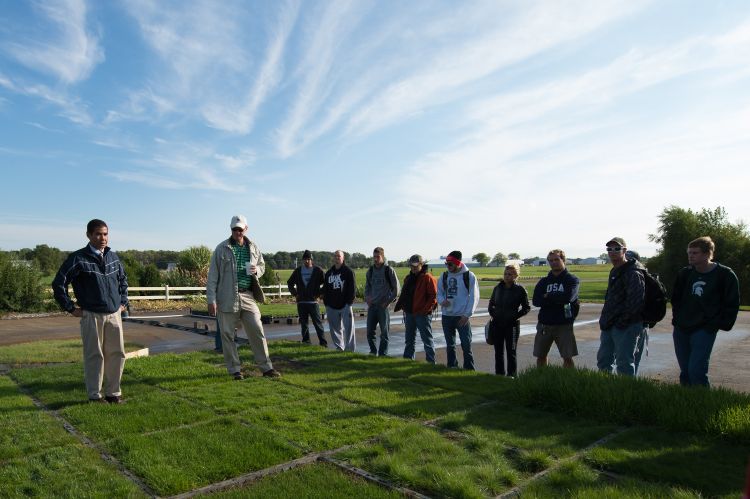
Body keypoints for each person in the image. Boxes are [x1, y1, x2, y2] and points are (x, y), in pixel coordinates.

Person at [52, 219, 128, 403]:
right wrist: (71, 308)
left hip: (113, 314)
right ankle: (95, 396)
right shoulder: (77, 259)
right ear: (89, 235)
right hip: (91, 315)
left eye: (105, 234)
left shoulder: (113, 257)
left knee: (117, 354)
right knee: (95, 355)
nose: (103, 238)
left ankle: (113, 394)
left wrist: (123, 303)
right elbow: (58, 284)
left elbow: (123, 281)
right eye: (98, 234)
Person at [206, 215, 280, 380]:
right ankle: (235, 370)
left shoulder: (253, 247)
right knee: (227, 335)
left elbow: (262, 265)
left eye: (240, 229)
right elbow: (212, 277)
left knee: (257, 330)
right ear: (231, 229)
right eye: (234, 229)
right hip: (227, 297)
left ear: (246, 229)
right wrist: (211, 300)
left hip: (248, 295)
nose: (237, 232)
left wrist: (257, 271)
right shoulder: (221, 249)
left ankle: (266, 368)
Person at [671, 236, 740, 387]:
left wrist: (716, 323)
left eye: (695, 253)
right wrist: (677, 320)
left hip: (704, 328)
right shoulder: (685, 273)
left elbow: (732, 303)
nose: (690, 255)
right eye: (689, 252)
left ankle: (702, 401)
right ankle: (685, 400)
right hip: (682, 328)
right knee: (685, 371)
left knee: (696, 370)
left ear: (708, 254)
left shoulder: (725, 275)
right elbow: (676, 299)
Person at [597, 237, 646, 376]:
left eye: (617, 249)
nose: (612, 252)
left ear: (624, 250)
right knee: (604, 361)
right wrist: (605, 320)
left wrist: (621, 322)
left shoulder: (633, 272)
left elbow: (636, 302)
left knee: (624, 363)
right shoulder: (614, 271)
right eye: (609, 249)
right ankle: (605, 390)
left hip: (626, 326)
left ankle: (625, 394)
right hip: (610, 323)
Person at [532, 249, 580, 368]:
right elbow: (536, 301)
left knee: (567, 357)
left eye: (556, 259)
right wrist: (558, 299)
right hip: (544, 324)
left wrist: (547, 296)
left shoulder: (572, 279)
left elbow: (569, 298)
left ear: (563, 260)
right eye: (551, 260)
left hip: (564, 324)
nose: (553, 262)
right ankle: (541, 379)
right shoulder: (544, 281)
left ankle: (568, 382)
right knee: (541, 356)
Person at [437, 251, 480, 369]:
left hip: (462, 316)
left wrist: (467, 315)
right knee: (450, 344)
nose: (448, 266)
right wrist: (441, 301)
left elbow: (475, 296)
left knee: (466, 344)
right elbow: (439, 292)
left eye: (450, 264)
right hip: (447, 316)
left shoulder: (469, 276)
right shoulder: (444, 276)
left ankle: (469, 368)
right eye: (447, 264)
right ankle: (452, 365)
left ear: (458, 263)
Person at [488, 263, 530, 377]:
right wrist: (494, 315)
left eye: (510, 274)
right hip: (497, 324)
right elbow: (491, 305)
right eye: (506, 274)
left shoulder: (520, 289)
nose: (507, 276)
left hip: (512, 326)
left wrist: (514, 317)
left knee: (511, 352)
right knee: (498, 352)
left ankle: (512, 375)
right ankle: (499, 374)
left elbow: (526, 307)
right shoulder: (497, 288)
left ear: (516, 275)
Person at [394, 254, 437, 363]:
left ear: (421, 265)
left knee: (427, 340)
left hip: (422, 314)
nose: (413, 268)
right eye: (411, 266)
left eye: (415, 266)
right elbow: (405, 294)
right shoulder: (408, 278)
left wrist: (424, 310)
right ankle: (408, 361)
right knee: (409, 340)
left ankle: (431, 362)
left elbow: (433, 296)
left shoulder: (428, 277)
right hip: (409, 313)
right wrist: (403, 306)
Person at [287, 250, 327, 346]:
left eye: (309, 259)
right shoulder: (298, 271)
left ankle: (323, 343)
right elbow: (290, 283)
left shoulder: (318, 271)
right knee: (304, 324)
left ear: (312, 260)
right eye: (305, 259)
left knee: (317, 324)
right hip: (301, 303)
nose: (307, 261)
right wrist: (296, 294)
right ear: (302, 260)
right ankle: (306, 342)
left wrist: (319, 295)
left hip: (313, 303)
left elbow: (326, 283)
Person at [364, 247, 400, 356]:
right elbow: (367, 288)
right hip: (372, 306)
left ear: (382, 257)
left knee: (384, 333)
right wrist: (367, 298)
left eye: (377, 257)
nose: (375, 259)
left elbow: (397, 289)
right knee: (370, 332)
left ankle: (383, 354)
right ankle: (373, 351)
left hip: (383, 307)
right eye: (374, 257)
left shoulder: (389, 270)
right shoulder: (370, 271)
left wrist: (388, 301)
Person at [323, 250, 356, 351]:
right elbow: (325, 289)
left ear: (343, 258)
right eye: (335, 256)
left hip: (345, 305)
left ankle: (350, 349)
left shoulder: (348, 272)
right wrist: (326, 303)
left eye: (339, 256)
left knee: (349, 329)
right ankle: (339, 347)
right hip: (332, 306)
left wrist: (349, 302)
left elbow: (352, 288)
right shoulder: (329, 273)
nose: (337, 258)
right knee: (335, 329)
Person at [626, 249, 649, 374]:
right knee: (630, 358)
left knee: (631, 358)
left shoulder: (638, 274)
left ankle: (629, 385)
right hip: (637, 322)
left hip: (636, 323)